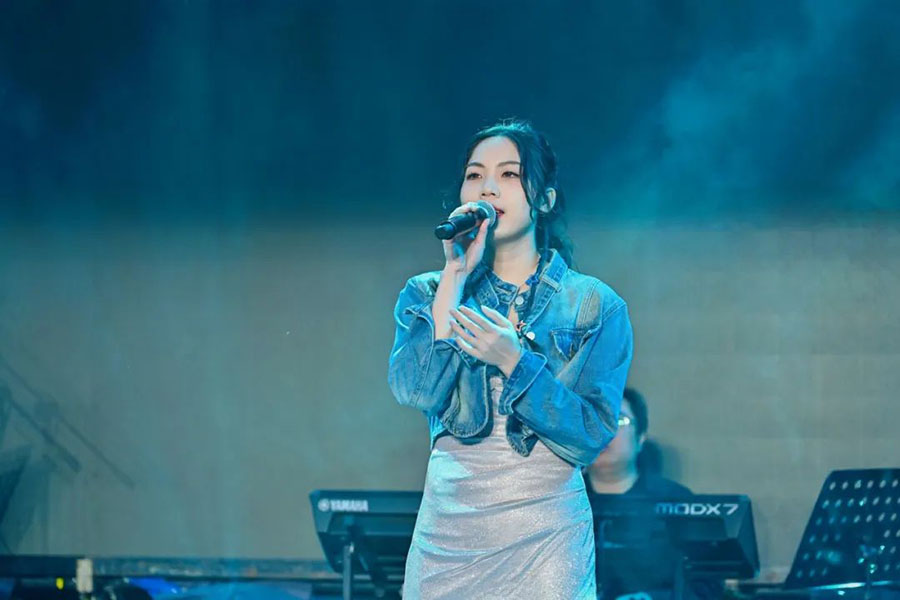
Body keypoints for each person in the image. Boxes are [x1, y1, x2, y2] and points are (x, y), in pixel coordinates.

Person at [388, 119, 633, 599]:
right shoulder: (429, 291)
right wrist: (455, 275)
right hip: (449, 533)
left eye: (509, 174)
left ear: (545, 200)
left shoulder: (594, 305)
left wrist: (516, 363)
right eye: (475, 175)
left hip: (546, 534)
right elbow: (416, 391)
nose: (488, 188)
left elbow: (591, 435)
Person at [584, 388, 721, 600]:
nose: (605, 430)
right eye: (594, 419)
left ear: (641, 438)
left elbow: (706, 586)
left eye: (619, 420)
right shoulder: (558, 502)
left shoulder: (677, 501)